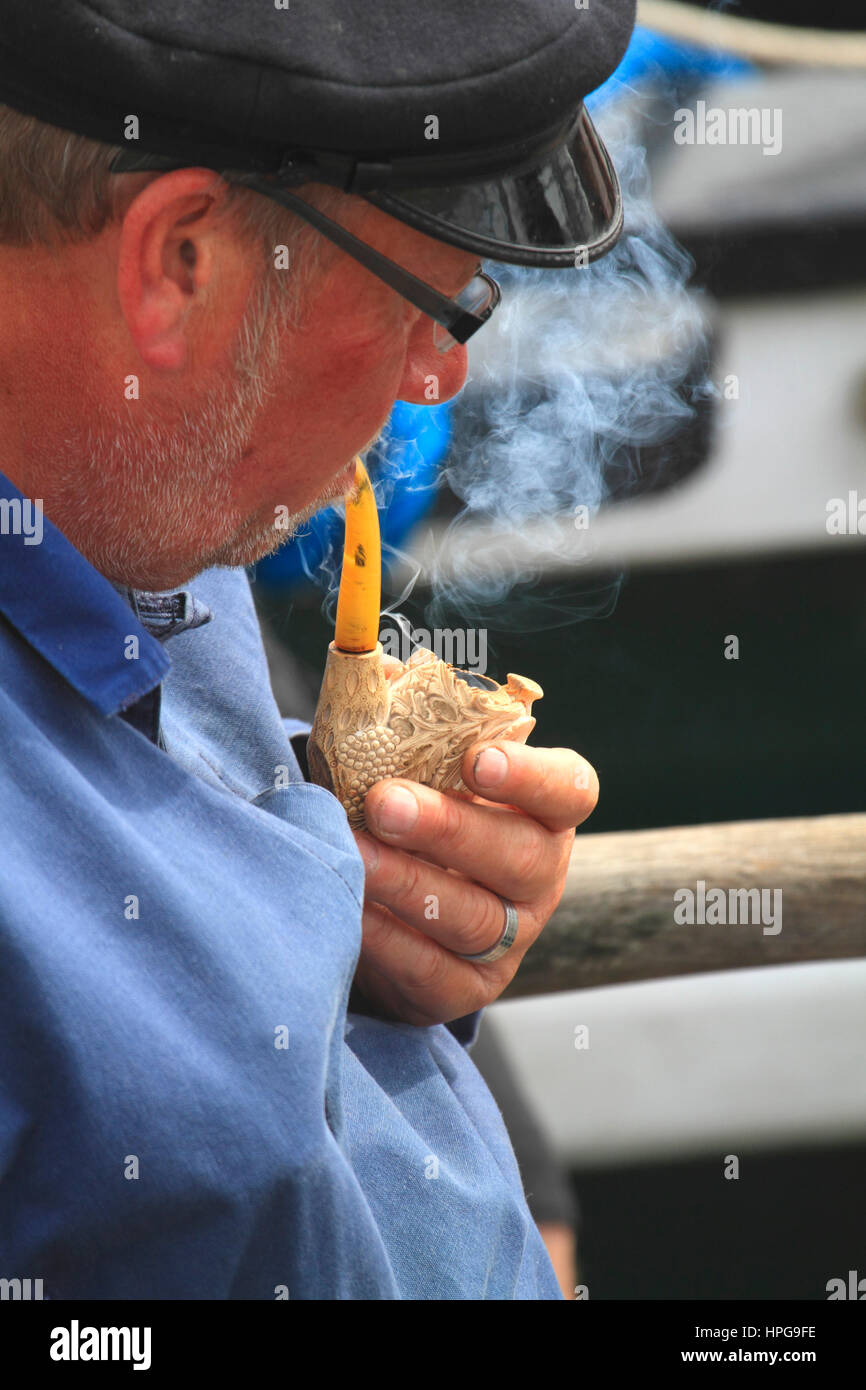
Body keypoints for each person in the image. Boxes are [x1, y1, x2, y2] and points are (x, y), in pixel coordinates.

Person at [0, 0, 634, 1299]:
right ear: (177, 259)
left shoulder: (142, 488)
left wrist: (371, 906)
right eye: (425, 299)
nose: (436, 376)